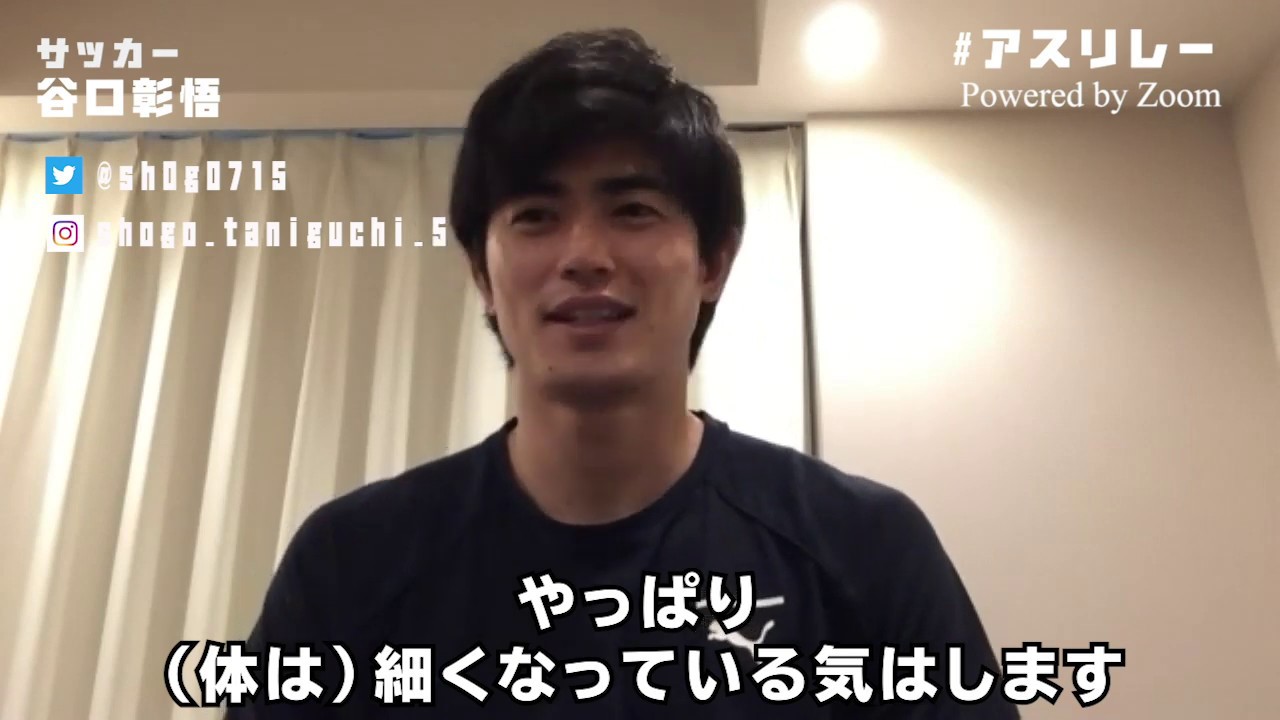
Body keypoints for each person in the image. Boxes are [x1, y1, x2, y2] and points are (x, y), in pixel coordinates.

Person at [227, 28, 1018, 718]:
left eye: (633, 210)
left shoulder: (863, 548)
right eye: (536, 216)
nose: (584, 256)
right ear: (481, 273)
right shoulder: (352, 563)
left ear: (713, 260)